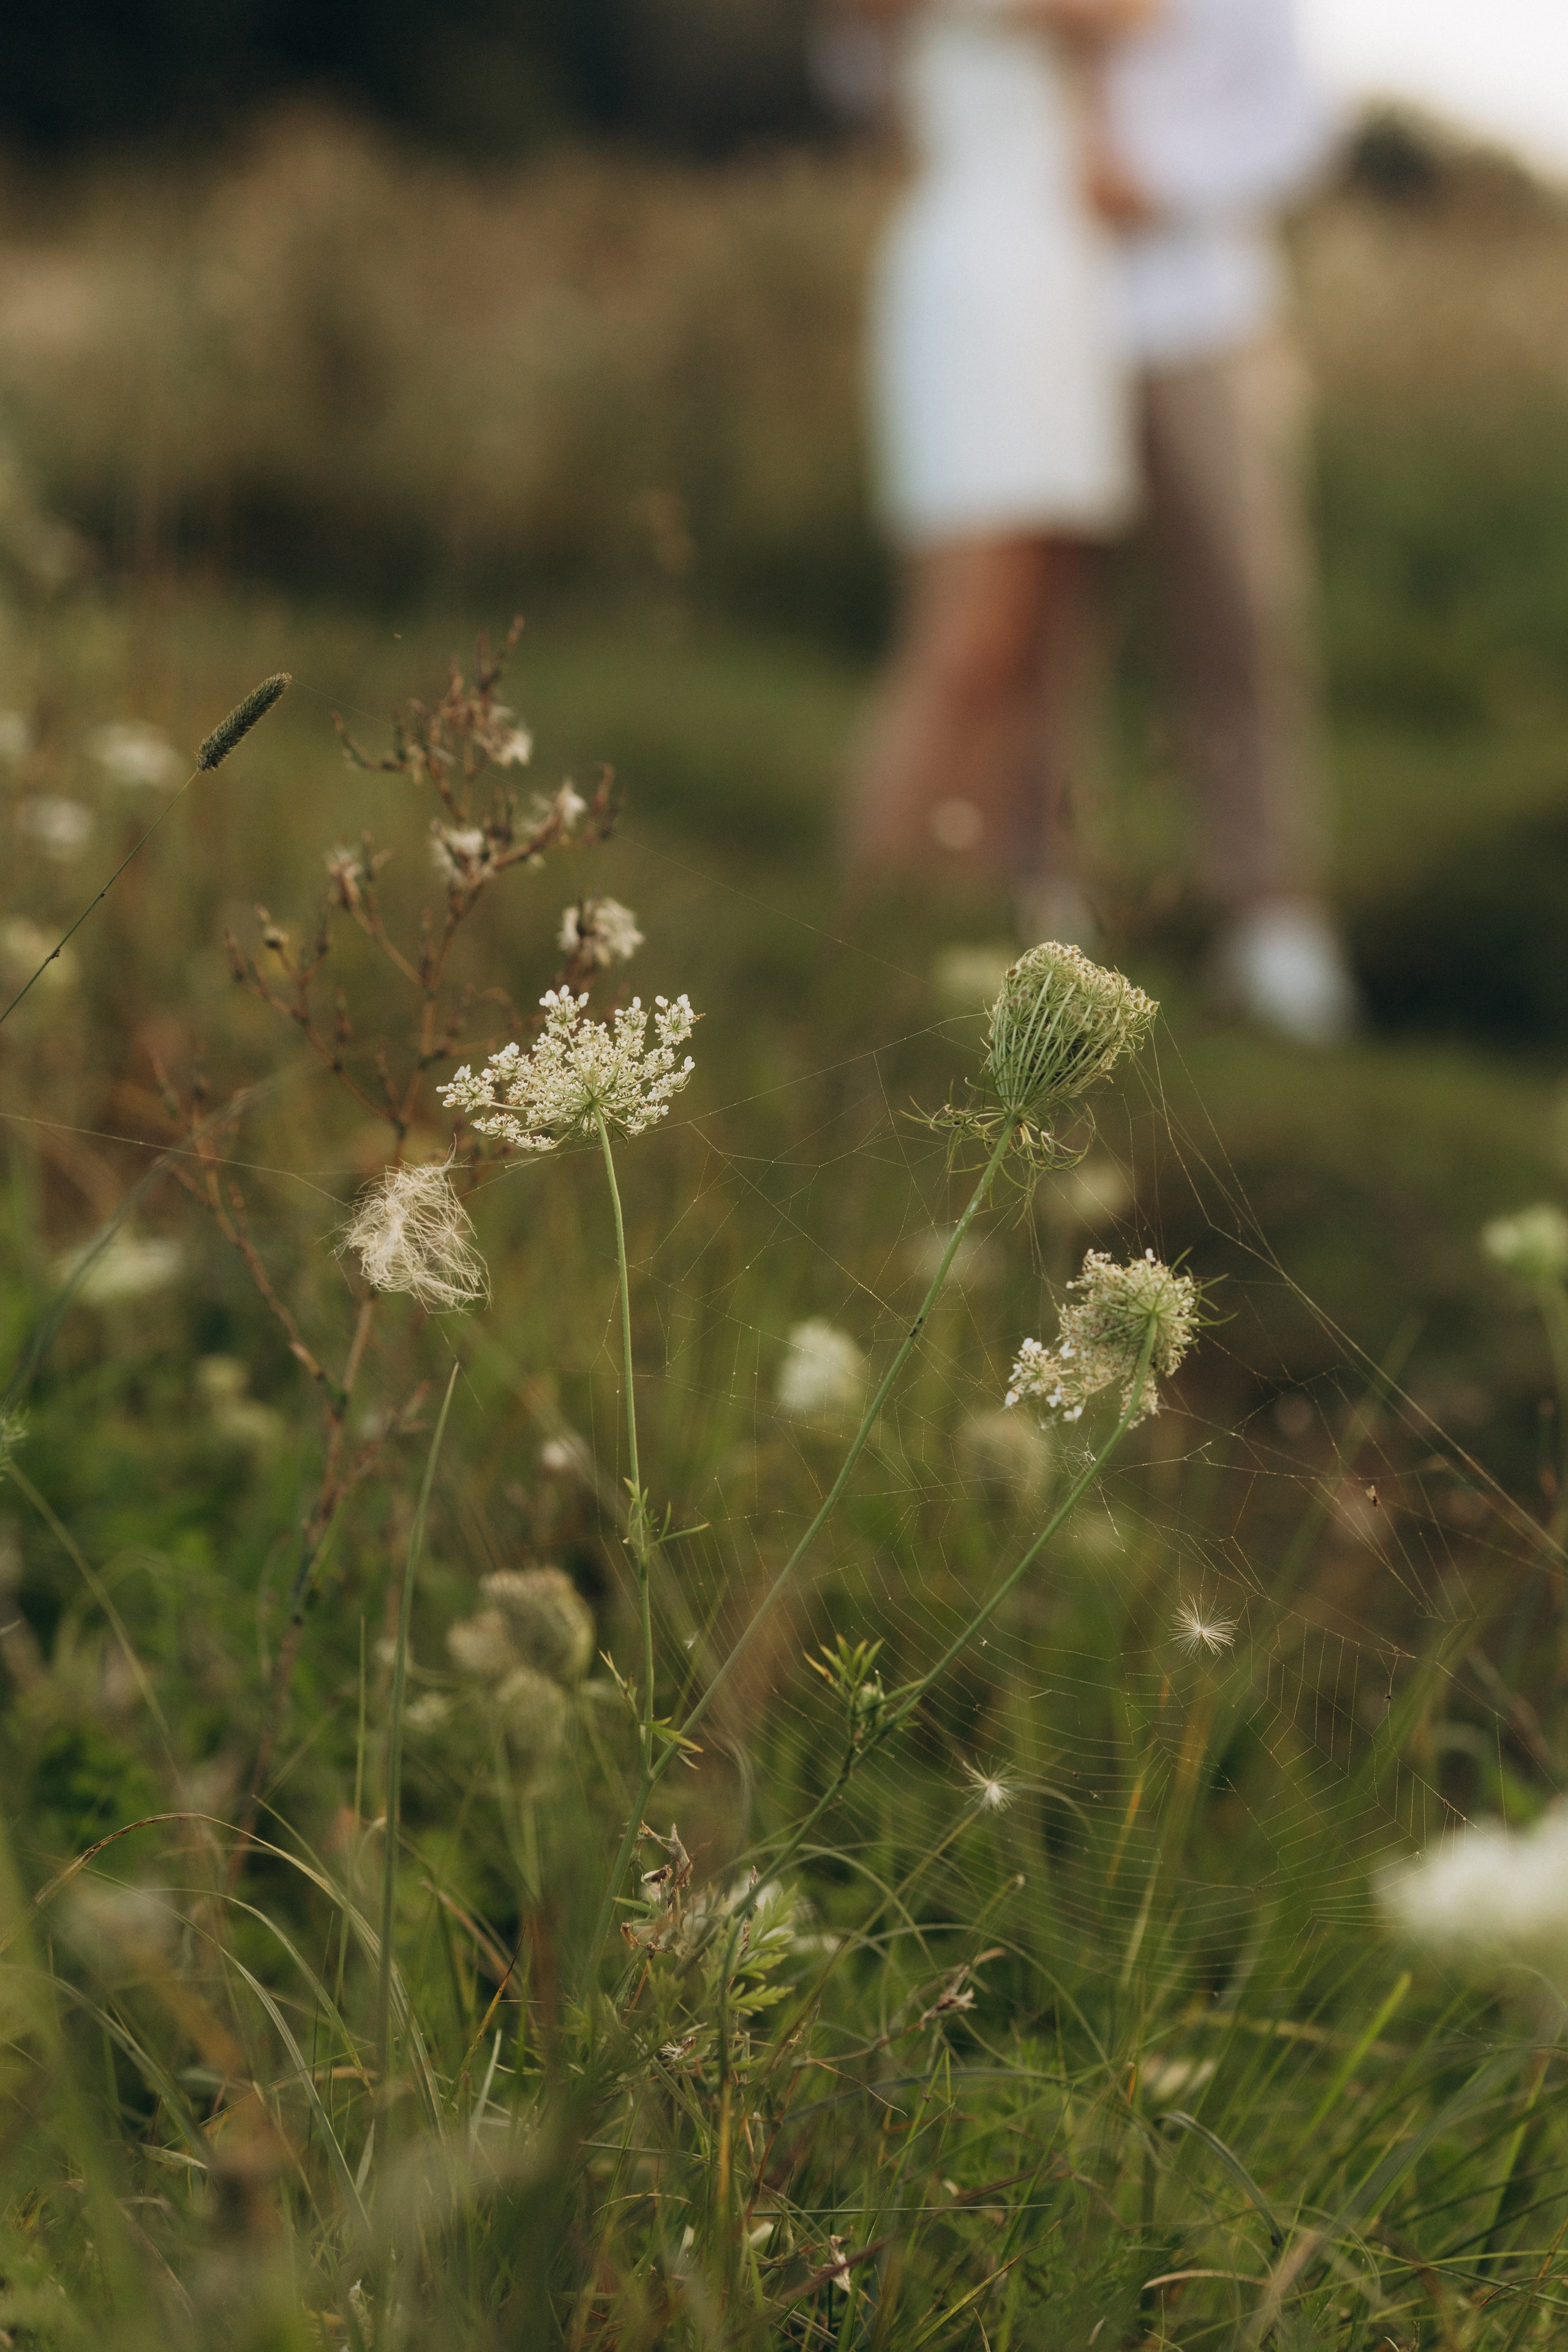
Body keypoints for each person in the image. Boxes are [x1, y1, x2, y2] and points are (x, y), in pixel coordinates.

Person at [1084, 0, 1355, 1041]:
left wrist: (1156, 183)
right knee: (1043, 624)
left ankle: (1268, 912)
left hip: (1206, 314)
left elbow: (1297, 128)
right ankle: (1048, 891)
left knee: (1245, 613)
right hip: (1041, 318)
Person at [843, 0, 1152, 911]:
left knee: (1036, 633)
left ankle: (973, 899)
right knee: (963, 632)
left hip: (1063, 283)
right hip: (981, 279)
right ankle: (862, 910)